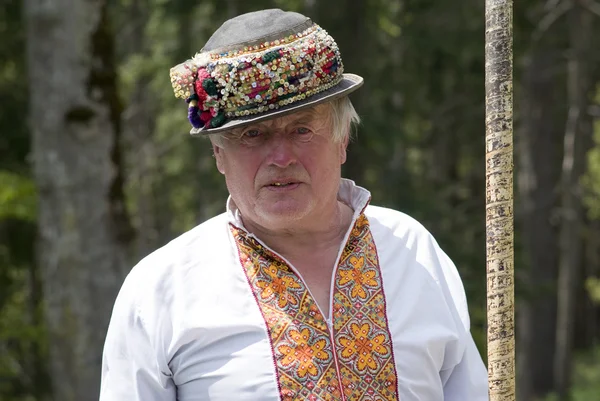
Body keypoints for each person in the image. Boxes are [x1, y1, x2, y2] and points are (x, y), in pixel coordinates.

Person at [100, 8, 489, 401]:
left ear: (342, 140)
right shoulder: (163, 288)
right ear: (218, 154)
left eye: (302, 129)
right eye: (252, 134)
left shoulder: (412, 250)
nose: (281, 157)